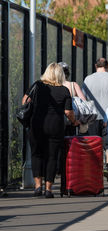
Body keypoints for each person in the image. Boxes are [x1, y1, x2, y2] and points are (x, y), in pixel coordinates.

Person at [22, 63, 79, 198]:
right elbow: (68, 112)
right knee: (52, 157)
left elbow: (25, 101)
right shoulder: (64, 90)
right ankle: (48, 189)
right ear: (61, 75)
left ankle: (37, 187)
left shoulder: (37, 85)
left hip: (36, 125)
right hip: (55, 126)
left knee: (36, 154)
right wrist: (74, 121)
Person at [82, 58, 108, 179]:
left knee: (93, 143)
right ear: (107, 66)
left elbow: (83, 97)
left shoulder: (88, 79)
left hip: (92, 116)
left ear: (95, 66)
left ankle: (95, 169)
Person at [58, 62, 87, 136]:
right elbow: (84, 102)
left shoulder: (54, 85)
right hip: (72, 120)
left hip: (58, 120)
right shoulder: (73, 85)